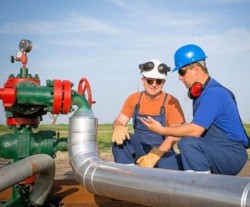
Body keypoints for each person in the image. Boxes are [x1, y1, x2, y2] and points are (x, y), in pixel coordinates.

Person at [140, 44, 249, 175]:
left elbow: (195, 130)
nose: (179, 77)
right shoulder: (203, 93)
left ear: (196, 69)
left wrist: (161, 130)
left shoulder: (214, 94)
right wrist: (155, 155)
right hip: (213, 149)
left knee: (188, 144)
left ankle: (203, 189)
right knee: (162, 166)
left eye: (181, 72)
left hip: (231, 154)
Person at [111, 59, 185, 168]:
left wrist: (155, 155)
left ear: (164, 82)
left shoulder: (171, 102)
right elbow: (119, 120)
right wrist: (118, 127)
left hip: (162, 151)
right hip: (139, 149)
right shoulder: (133, 99)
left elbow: (175, 135)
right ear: (143, 80)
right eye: (150, 80)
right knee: (119, 141)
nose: (154, 84)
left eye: (158, 81)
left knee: (172, 167)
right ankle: (127, 176)